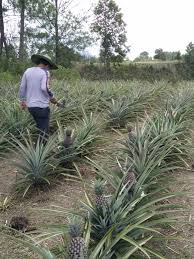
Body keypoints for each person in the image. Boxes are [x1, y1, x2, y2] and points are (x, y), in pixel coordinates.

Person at [19, 54, 62, 137]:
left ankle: (38, 146)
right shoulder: (45, 72)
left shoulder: (28, 71)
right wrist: (52, 97)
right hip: (42, 107)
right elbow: (44, 88)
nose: (49, 69)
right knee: (44, 132)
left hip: (31, 107)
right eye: (49, 67)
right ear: (47, 65)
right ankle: (41, 148)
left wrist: (23, 101)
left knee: (40, 127)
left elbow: (22, 87)